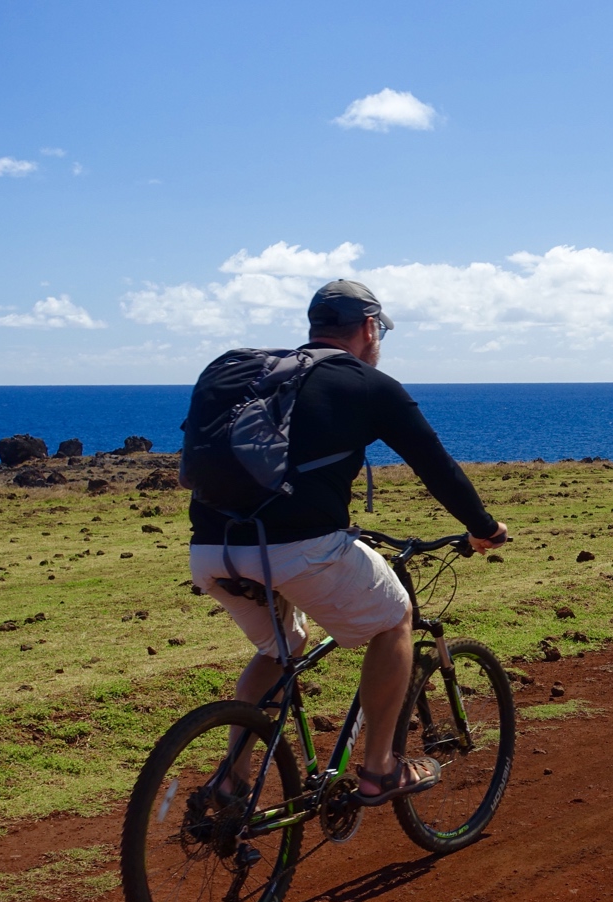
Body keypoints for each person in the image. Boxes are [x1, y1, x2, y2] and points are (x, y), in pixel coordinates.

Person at [187, 280, 507, 804]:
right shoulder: (368, 385)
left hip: (211, 548)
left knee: (280, 646)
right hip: (297, 549)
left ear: (315, 327)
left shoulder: (263, 376)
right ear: (368, 328)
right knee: (394, 618)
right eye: (379, 330)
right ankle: (381, 767)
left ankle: (232, 779)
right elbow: (438, 469)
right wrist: (485, 527)